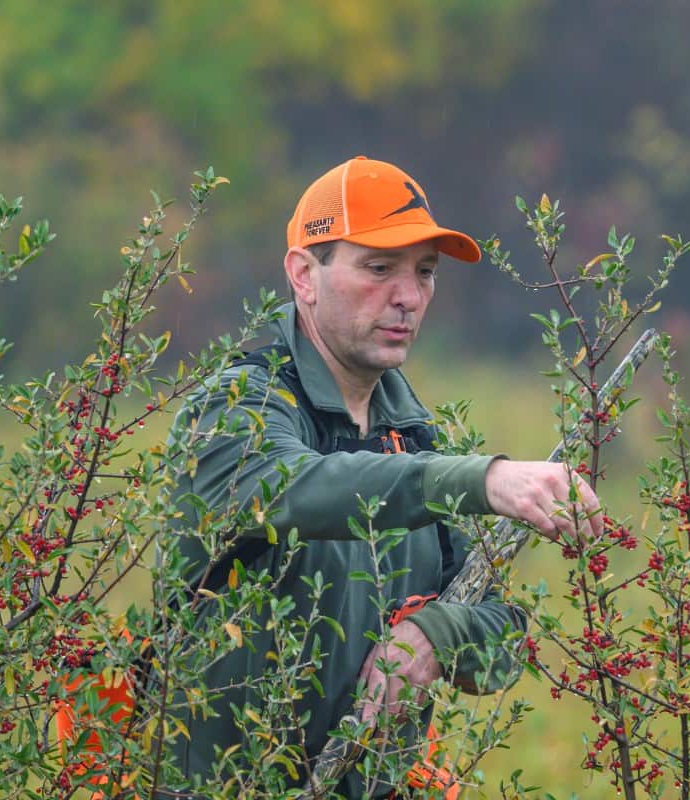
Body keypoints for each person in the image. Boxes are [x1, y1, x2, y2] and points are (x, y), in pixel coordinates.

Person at [168, 156, 603, 795]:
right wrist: (485, 480)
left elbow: (503, 633)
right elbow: (303, 488)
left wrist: (435, 634)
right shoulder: (235, 411)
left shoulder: (416, 439)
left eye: (424, 273)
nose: (408, 296)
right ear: (303, 275)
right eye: (378, 268)